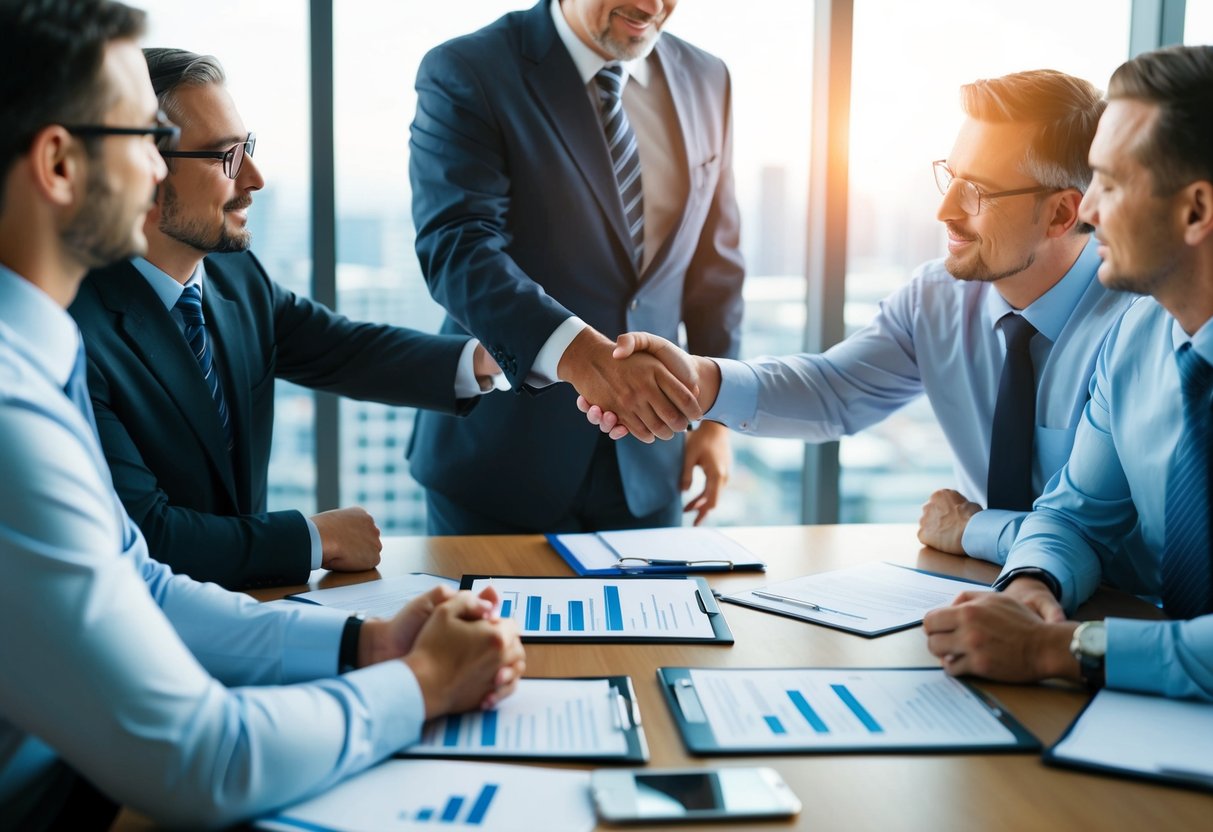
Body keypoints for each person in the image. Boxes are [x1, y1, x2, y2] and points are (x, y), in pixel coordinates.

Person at [0, 2, 524, 827]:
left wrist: (366, 645)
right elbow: (199, 760)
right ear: (61, 165)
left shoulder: (38, 347)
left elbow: (140, 584)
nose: (154, 168)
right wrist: (418, 685)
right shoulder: (12, 401)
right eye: (142, 134)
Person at [588, 69, 1145, 583]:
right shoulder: (939, 297)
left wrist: (971, 528)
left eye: (977, 192)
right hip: (980, 592)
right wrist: (699, 381)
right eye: (950, 177)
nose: (945, 209)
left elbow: (1106, 543)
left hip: (1107, 621)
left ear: (1061, 214)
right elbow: (833, 391)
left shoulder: (1139, 327)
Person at [68, 48, 505, 590]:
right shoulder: (72, 331)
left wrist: (494, 358)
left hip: (258, 610)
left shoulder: (235, 275)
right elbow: (144, 535)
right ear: (142, 173)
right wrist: (317, 538)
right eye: (225, 157)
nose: (255, 177)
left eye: (246, 147)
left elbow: (345, 349)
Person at [922, 44, 1213, 700]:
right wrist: (1031, 588)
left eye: (1109, 183)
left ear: (1195, 211)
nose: (1084, 212)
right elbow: (1075, 517)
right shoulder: (1138, 336)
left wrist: (1061, 648)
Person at [407, 0, 743, 534]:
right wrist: (586, 358)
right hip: (502, 466)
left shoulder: (708, 77)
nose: (652, 6)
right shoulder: (470, 70)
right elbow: (459, 248)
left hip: (651, 465)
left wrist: (717, 416)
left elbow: (715, 267)